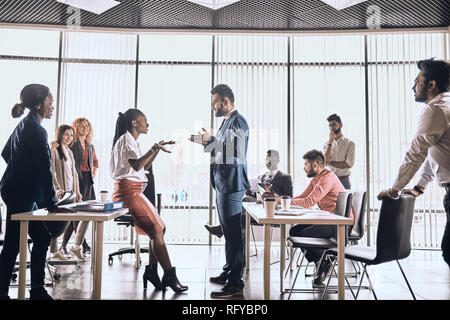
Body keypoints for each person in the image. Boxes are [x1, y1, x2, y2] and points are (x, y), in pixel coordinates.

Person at [0, 84, 73, 300]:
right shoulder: (36, 130)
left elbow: (6, 153)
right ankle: (20, 291)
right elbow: (44, 168)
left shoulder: (26, 125)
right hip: (19, 193)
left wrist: (21, 170)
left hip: (16, 190)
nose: (52, 107)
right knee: (17, 243)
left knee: (39, 237)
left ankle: (36, 289)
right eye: (50, 102)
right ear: (39, 105)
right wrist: (51, 203)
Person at [377, 58, 450, 268]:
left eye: (417, 81)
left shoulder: (435, 109)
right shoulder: (445, 105)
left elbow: (416, 153)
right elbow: (434, 152)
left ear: (431, 84)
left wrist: (394, 190)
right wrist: (419, 187)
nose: (413, 86)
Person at [110, 108, 187, 293]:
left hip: (135, 190)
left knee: (160, 228)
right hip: (127, 192)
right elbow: (136, 164)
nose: (147, 124)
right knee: (157, 230)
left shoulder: (131, 141)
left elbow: (143, 166)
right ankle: (169, 274)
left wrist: (155, 150)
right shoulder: (125, 141)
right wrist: (152, 148)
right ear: (134, 123)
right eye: (144, 120)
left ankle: (152, 271)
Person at [189, 84, 250, 298]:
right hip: (224, 184)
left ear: (225, 101)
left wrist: (209, 142)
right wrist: (208, 142)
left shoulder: (238, 121)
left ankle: (235, 283)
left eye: (215, 102)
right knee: (229, 233)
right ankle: (228, 271)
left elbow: (235, 153)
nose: (213, 106)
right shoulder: (227, 123)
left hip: (231, 185)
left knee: (233, 235)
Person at [269, 150, 352, 286]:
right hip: (330, 220)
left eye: (306, 164)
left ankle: (324, 262)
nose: (304, 167)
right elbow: (303, 197)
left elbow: (309, 202)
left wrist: (282, 202)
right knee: (294, 232)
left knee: (302, 234)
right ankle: (322, 261)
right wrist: (283, 200)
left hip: (340, 224)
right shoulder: (317, 178)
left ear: (315, 165)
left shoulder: (327, 178)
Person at [205, 149, 293, 238]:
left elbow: (289, 199)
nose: (268, 161)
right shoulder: (262, 176)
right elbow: (257, 195)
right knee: (243, 211)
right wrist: (251, 192)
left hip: (272, 210)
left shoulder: (285, 177)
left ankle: (222, 229)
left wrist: (272, 196)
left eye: (271, 158)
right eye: (267, 159)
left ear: (278, 160)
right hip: (257, 208)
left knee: (242, 210)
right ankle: (238, 245)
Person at [60, 118, 98, 259]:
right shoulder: (73, 144)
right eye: (82, 126)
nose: (85, 128)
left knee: (80, 214)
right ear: (76, 127)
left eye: (87, 126)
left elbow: (95, 161)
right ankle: (81, 244)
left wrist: (93, 172)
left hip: (87, 180)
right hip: (77, 179)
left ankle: (64, 245)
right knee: (76, 214)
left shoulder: (90, 145)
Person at [48, 125, 83, 261]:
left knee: (68, 221)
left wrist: (77, 192)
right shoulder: (54, 149)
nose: (69, 137)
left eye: (71, 135)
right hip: (61, 192)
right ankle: (54, 251)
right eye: (66, 134)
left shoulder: (69, 151)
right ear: (60, 134)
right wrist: (57, 189)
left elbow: (74, 174)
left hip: (71, 191)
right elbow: (51, 171)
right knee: (57, 222)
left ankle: (61, 249)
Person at [323, 114, 355, 189]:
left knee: (345, 201)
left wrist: (329, 163)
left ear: (341, 125)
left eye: (334, 124)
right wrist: (330, 142)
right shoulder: (326, 144)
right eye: (330, 125)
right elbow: (325, 161)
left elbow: (348, 164)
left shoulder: (350, 144)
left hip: (344, 181)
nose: (331, 127)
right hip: (330, 180)